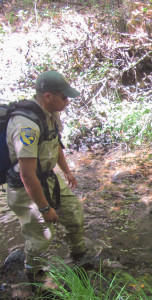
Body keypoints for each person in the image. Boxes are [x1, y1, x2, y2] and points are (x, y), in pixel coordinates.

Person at [6, 71, 92, 282]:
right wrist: (45, 208)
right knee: (43, 237)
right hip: (25, 187)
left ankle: (79, 256)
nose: (67, 101)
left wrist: (67, 171)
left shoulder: (50, 115)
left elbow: (55, 143)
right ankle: (32, 273)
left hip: (47, 178)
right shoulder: (26, 126)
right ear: (48, 96)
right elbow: (27, 176)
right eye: (63, 97)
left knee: (73, 213)